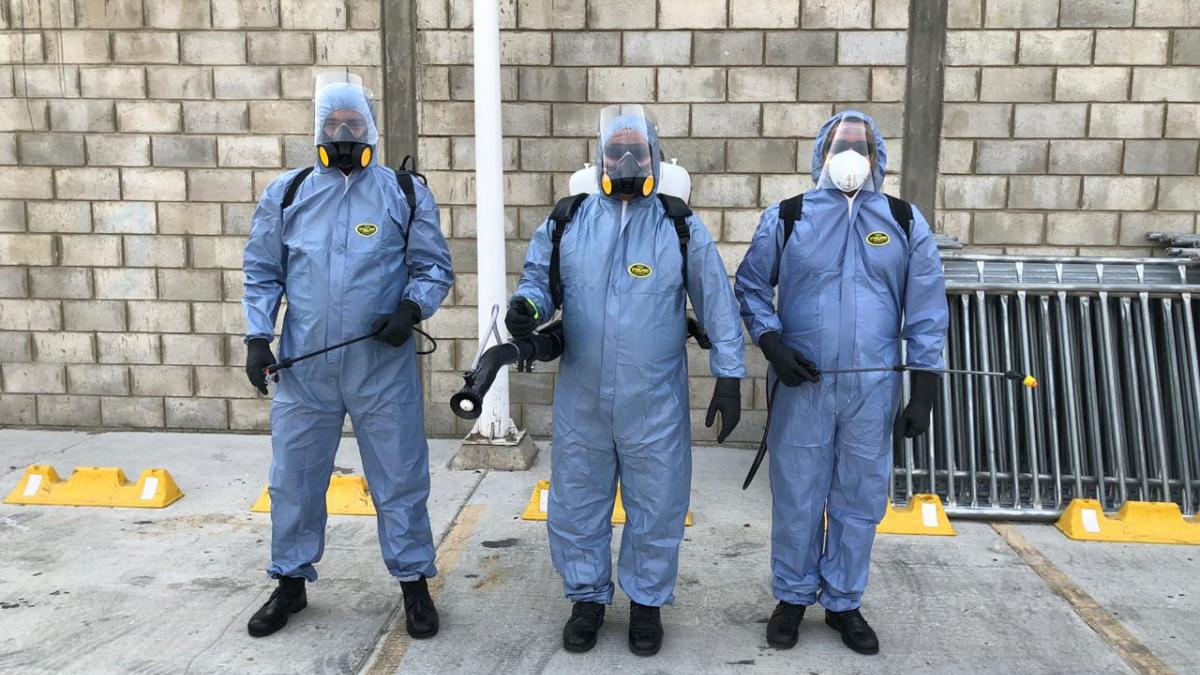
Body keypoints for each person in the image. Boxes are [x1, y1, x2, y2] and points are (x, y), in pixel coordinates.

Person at [506, 104, 746, 656]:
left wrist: (730, 377)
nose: (627, 162)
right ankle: (587, 599)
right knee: (577, 502)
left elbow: (717, 304)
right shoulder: (569, 221)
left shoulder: (679, 227)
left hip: (653, 401)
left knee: (657, 505)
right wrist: (526, 308)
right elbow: (540, 283)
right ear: (601, 159)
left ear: (655, 157)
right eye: (616, 152)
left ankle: (645, 604)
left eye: (637, 152)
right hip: (583, 399)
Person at [240, 72, 454, 639]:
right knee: (294, 478)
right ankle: (290, 581)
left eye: (353, 124)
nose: (342, 134)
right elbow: (262, 272)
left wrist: (410, 309)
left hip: (381, 369)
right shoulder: (287, 194)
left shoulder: (403, 193)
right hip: (305, 368)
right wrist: (258, 337)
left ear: (371, 129)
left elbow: (433, 267)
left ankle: (414, 583)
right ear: (317, 130)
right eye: (332, 124)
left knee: (400, 476)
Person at [734, 110, 948, 655]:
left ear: (878, 157)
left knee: (859, 496)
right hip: (802, 387)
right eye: (840, 145)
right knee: (797, 494)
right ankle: (791, 597)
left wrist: (924, 388)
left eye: (862, 146)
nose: (851, 155)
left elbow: (926, 306)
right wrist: (772, 342)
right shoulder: (789, 217)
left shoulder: (903, 220)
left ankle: (844, 602)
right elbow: (752, 286)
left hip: (871, 390)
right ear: (821, 155)